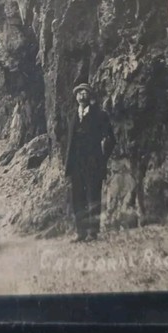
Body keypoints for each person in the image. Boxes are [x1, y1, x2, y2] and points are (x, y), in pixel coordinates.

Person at [63, 82, 115, 242]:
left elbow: (111, 139)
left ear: (90, 95)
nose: (82, 95)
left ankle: (93, 232)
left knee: (93, 196)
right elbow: (69, 141)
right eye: (79, 93)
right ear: (76, 97)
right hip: (76, 164)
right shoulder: (71, 116)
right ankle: (81, 232)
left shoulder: (100, 115)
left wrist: (102, 157)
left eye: (85, 92)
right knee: (78, 198)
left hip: (93, 163)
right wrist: (68, 164)